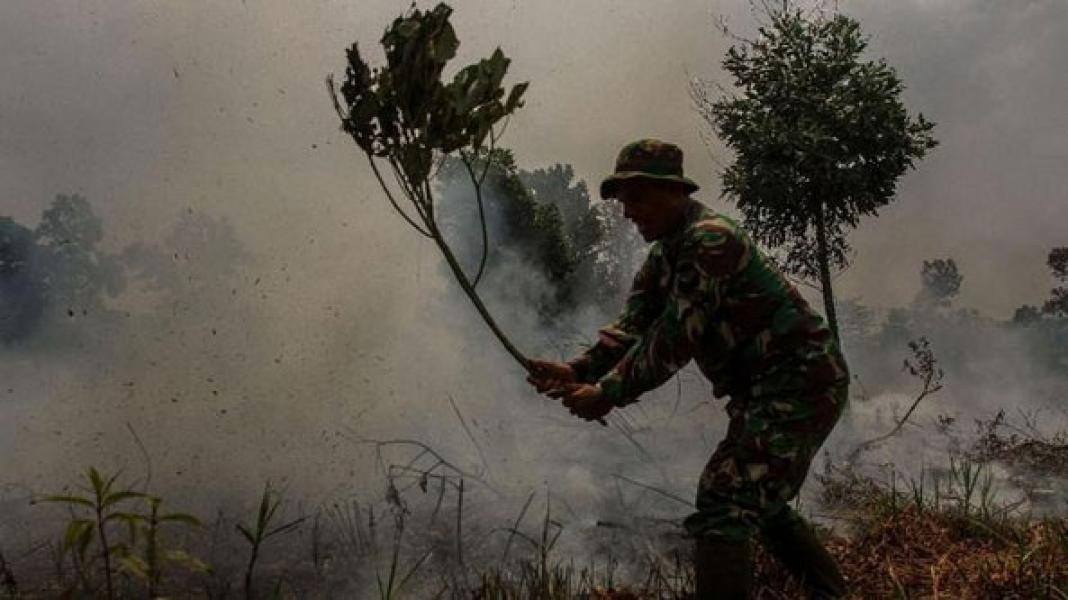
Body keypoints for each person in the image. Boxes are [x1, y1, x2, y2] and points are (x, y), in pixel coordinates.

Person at [526, 139, 850, 599]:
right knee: (761, 501)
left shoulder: (711, 240)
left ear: (673, 191)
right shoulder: (665, 255)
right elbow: (633, 326)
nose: (627, 213)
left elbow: (676, 337)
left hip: (802, 381)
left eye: (636, 198)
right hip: (769, 388)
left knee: (725, 499)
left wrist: (608, 393)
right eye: (623, 201)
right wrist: (577, 370)